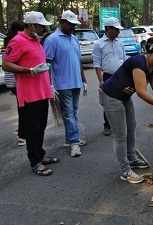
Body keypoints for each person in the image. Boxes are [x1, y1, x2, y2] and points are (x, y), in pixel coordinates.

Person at [99, 40, 153, 184]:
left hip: (124, 96)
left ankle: (132, 158)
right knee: (120, 135)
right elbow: (141, 92)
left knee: (131, 127)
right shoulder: (139, 63)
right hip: (111, 96)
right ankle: (125, 171)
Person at [3, 11, 59, 176]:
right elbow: (6, 64)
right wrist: (27, 70)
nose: (43, 29)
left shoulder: (35, 40)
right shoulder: (17, 41)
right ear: (32, 25)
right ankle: (35, 162)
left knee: (40, 127)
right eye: (41, 26)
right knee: (33, 129)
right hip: (29, 94)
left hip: (42, 92)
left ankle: (40, 155)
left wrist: (49, 86)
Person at [44, 10, 87, 158]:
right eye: (71, 24)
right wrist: (49, 85)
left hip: (76, 82)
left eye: (74, 25)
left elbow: (78, 60)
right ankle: (74, 143)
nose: (73, 27)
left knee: (73, 112)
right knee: (68, 114)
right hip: (62, 84)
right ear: (62, 22)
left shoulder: (74, 39)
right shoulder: (52, 39)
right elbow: (47, 64)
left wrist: (84, 79)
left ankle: (70, 139)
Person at [92, 17, 126, 136]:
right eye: (116, 29)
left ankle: (120, 123)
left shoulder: (120, 43)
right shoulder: (98, 44)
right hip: (107, 77)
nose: (118, 32)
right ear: (108, 29)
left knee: (122, 99)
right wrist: (101, 81)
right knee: (108, 103)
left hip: (121, 76)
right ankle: (108, 125)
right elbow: (96, 64)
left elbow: (124, 60)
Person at [3, 21, 25, 146]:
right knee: (24, 107)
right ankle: (22, 136)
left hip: (10, 80)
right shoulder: (16, 41)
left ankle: (22, 131)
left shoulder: (9, 40)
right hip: (15, 79)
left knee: (22, 106)